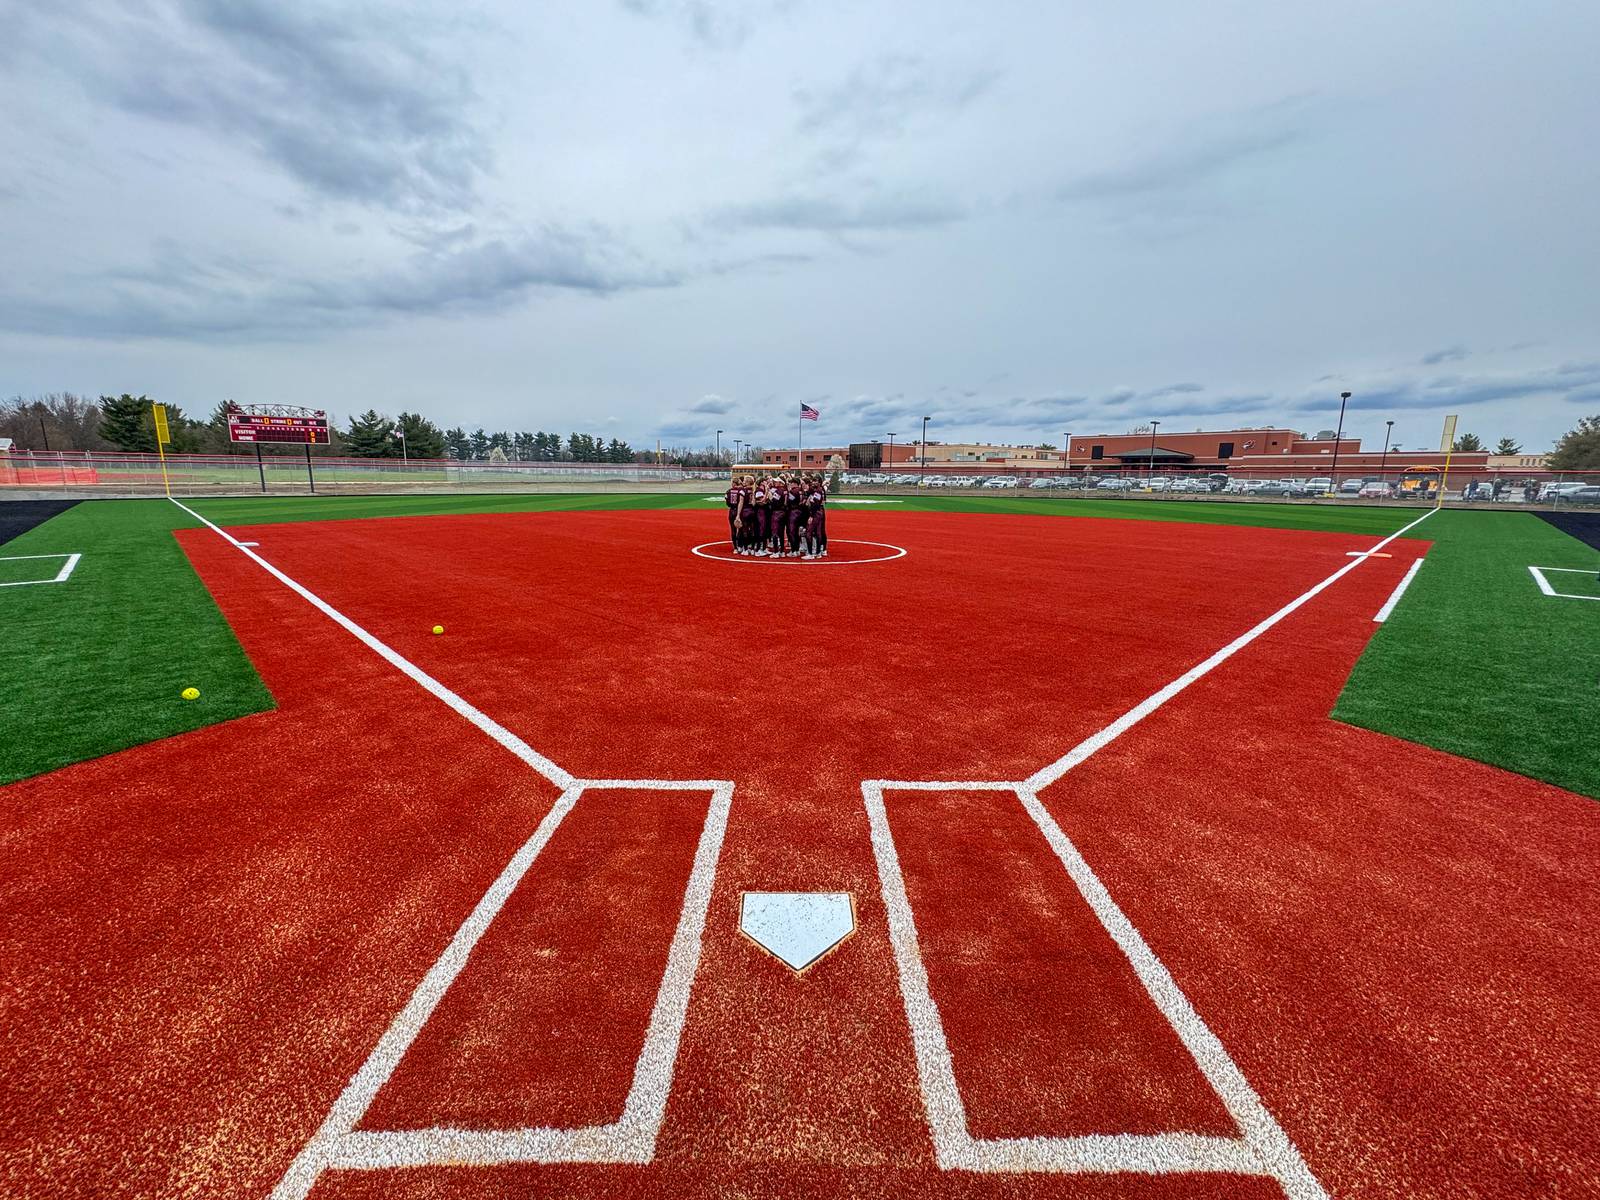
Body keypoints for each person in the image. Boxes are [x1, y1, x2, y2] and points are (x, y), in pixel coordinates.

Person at [725, 474, 746, 552]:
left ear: (733, 483)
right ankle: (740, 545)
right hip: (740, 511)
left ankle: (735, 548)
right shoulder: (742, 491)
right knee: (741, 529)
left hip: (732, 511)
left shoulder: (728, 491)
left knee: (733, 529)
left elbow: (727, 503)